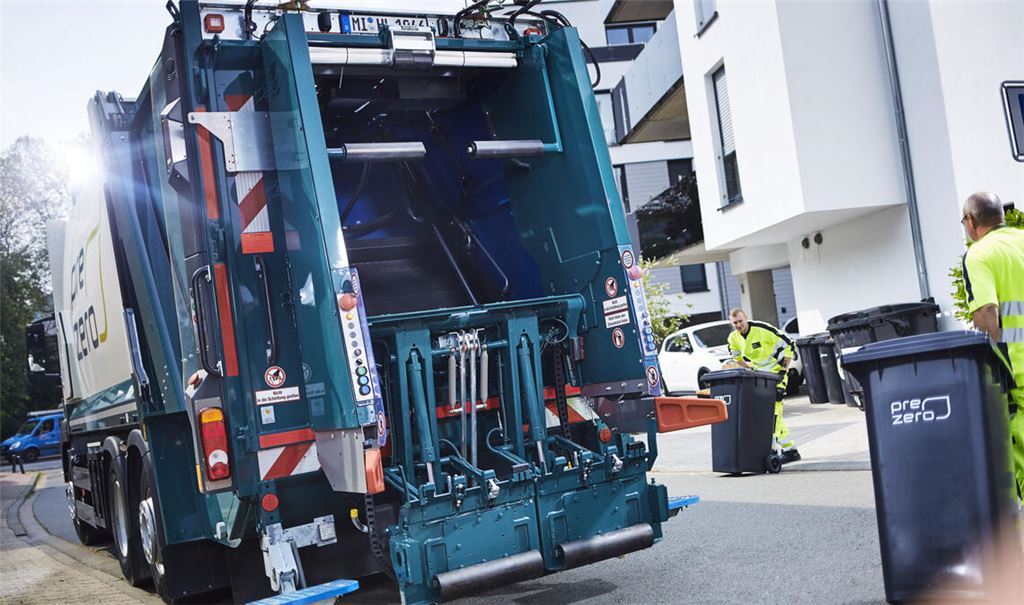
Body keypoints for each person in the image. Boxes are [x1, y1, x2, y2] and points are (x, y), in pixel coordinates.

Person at [960, 191, 1024, 501]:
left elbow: (987, 315)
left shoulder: (979, 253)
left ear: (971, 222)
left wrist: (990, 373)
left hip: (1019, 378)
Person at [727, 308, 800, 463]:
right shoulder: (733, 338)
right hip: (760, 376)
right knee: (767, 413)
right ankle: (789, 449)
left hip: (777, 373)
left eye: (740, 321)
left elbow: (790, 344)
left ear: (746, 318)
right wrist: (749, 368)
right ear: (731, 324)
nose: (739, 325)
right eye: (735, 323)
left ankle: (776, 448)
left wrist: (783, 370)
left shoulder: (762, 329)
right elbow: (736, 357)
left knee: (774, 411)